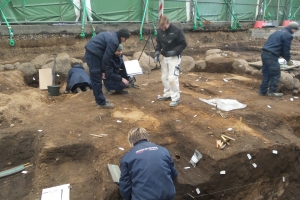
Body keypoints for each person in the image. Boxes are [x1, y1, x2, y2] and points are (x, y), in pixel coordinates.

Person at [119, 127, 178, 200]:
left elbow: (125, 186)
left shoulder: (127, 158)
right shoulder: (163, 151)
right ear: (147, 138)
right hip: (167, 196)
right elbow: (174, 174)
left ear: (131, 142)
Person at [85, 28, 130, 108]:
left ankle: (100, 100)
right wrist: (103, 70)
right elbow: (107, 57)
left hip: (94, 53)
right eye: (125, 38)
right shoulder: (114, 41)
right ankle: (101, 103)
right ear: (122, 37)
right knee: (97, 78)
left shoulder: (113, 35)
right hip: (93, 55)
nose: (125, 40)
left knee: (97, 78)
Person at [154, 16, 187, 107]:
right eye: (161, 27)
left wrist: (175, 51)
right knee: (164, 77)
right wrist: (157, 51)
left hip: (174, 57)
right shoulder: (160, 31)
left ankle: (175, 98)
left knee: (172, 78)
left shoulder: (177, 30)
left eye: (164, 27)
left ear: (168, 23)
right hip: (164, 56)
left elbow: (183, 43)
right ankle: (168, 94)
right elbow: (159, 43)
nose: (163, 29)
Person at [259, 21, 299, 97]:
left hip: (264, 53)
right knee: (275, 74)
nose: (295, 32)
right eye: (296, 30)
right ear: (293, 29)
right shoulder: (288, 35)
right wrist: (288, 59)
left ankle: (262, 91)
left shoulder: (278, 31)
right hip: (272, 56)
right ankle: (272, 91)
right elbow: (286, 49)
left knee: (266, 73)